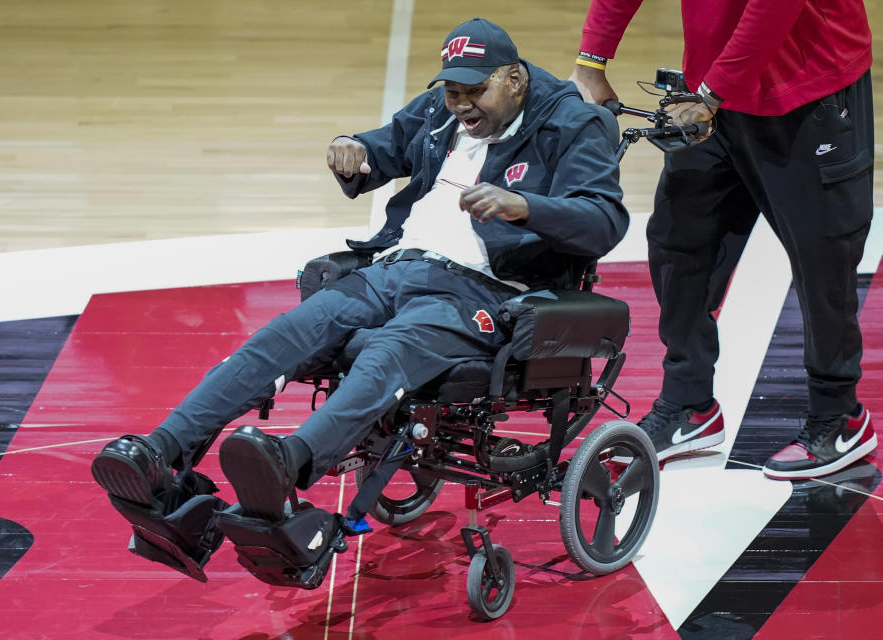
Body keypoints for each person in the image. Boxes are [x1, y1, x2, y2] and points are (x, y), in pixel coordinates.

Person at [92, 17, 628, 539]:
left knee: (387, 353)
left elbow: (604, 220)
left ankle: (289, 462)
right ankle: (159, 451)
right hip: (395, 267)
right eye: (452, 93)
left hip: (485, 290)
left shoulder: (575, 125)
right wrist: (353, 150)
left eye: (474, 91)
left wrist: (525, 206)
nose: (461, 105)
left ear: (514, 78)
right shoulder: (444, 113)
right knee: (286, 333)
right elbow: (384, 147)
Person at [569, 0, 877, 479]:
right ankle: (688, 405)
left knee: (823, 260)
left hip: (806, 93)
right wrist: (592, 58)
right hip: (713, 94)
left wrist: (713, 93)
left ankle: (839, 417)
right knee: (679, 243)